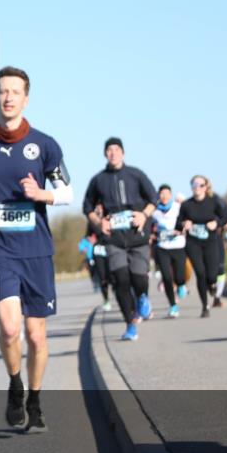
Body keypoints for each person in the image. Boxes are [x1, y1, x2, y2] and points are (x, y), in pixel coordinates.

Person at [0, 66, 73, 433]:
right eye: (2, 91)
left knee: (36, 335)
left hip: (36, 250)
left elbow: (68, 190)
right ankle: (15, 384)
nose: (8, 97)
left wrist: (45, 195)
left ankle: (35, 397)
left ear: (26, 97)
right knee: (10, 330)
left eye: (15, 91)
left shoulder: (45, 144)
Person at [83, 138, 158, 341]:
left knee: (139, 278)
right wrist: (100, 224)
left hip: (138, 236)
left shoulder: (135, 174)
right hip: (114, 239)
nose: (113, 153)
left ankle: (143, 297)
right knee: (120, 281)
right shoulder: (99, 179)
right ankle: (130, 324)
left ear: (123, 153)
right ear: (105, 154)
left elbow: (154, 198)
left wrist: (143, 215)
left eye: (116, 149)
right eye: (109, 150)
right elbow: (87, 207)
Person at [176, 174, 227, 318]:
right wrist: (184, 224)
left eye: (200, 185)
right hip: (193, 243)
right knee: (200, 273)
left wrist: (216, 223)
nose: (197, 188)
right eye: (194, 185)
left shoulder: (213, 202)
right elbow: (178, 223)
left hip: (211, 241)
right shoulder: (187, 205)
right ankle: (205, 306)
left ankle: (212, 285)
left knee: (212, 275)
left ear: (206, 187)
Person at [150, 184, 188, 318]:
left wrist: (182, 228)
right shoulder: (154, 211)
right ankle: (173, 305)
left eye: (166, 193)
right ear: (158, 196)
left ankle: (182, 284)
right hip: (162, 247)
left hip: (178, 246)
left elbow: (187, 220)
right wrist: (151, 234)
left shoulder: (178, 208)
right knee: (166, 277)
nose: (164, 196)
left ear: (171, 195)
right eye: (161, 194)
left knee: (179, 276)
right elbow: (149, 226)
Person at [212, 190, 227, 308]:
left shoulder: (216, 200)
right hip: (200, 243)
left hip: (216, 239)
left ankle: (218, 296)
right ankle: (211, 286)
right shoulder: (193, 203)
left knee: (220, 268)